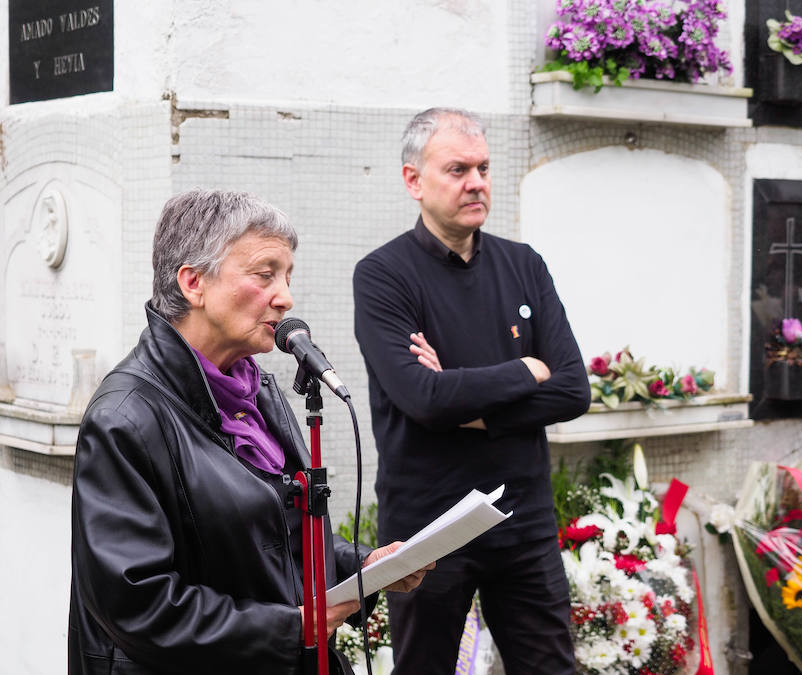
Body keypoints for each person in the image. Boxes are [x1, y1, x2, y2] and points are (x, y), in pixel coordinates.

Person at [69, 189, 429, 675]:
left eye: (287, 275)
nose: (286, 297)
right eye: (265, 274)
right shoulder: (124, 417)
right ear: (194, 283)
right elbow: (138, 603)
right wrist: (292, 629)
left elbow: (273, 534)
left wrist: (362, 567)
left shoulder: (255, 387)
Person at [352, 108, 592, 673]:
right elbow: (422, 399)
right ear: (414, 180)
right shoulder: (384, 275)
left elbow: (574, 391)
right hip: (429, 529)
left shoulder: (523, 264)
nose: (476, 182)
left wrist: (474, 409)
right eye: (457, 169)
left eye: (483, 167)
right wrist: (526, 370)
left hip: (523, 520)